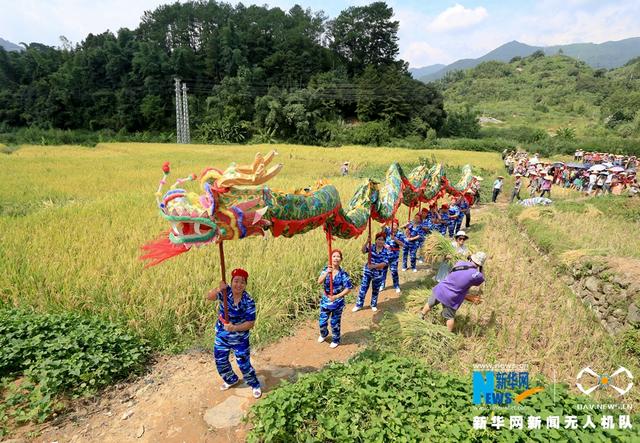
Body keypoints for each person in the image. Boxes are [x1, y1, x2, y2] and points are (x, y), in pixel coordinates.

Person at [207, 268, 262, 398]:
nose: (238, 284)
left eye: (242, 282)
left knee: (243, 364)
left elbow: (250, 323)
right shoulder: (225, 293)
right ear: (231, 282)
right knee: (220, 361)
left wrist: (234, 328)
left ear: (245, 285)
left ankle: (254, 384)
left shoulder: (248, 301)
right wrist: (218, 289)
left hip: (240, 338)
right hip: (222, 335)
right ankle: (231, 379)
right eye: (236, 281)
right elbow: (209, 297)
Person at [420, 252, 486, 332]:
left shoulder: (460, 263)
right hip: (452, 297)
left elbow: (452, 272)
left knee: (430, 303)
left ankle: (421, 316)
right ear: (480, 264)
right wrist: (481, 269)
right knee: (449, 317)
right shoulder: (477, 275)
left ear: (471, 258)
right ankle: (447, 334)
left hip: (441, 288)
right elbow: (480, 280)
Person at [317, 249, 353, 348]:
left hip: (337, 301)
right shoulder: (326, 269)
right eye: (334, 256)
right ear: (330, 258)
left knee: (335, 322)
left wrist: (336, 296)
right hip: (326, 300)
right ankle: (324, 334)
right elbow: (319, 281)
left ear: (341, 259)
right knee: (322, 321)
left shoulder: (343, 274)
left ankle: (336, 339)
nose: (336, 258)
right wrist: (326, 273)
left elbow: (348, 288)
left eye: (338, 256)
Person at [353, 232, 388, 312]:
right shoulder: (371, 247)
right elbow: (363, 251)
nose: (380, 241)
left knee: (375, 290)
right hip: (367, 272)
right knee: (363, 288)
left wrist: (373, 266)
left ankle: (373, 304)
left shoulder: (386, 250)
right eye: (379, 239)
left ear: (384, 241)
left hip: (378, 273)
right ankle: (359, 305)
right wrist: (367, 241)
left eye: (382, 240)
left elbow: (384, 264)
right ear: (375, 240)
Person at [380, 219, 404, 293]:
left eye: (395, 225)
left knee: (394, 271)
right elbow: (382, 227)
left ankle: (396, 285)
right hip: (385, 255)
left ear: (397, 226)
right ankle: (382, 285)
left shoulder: (400, 233)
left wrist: (395, 239)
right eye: (392, 225)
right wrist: (386, 220)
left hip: (394, 256)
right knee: (383, 271)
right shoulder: (387, 231)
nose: (393, 226)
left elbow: (402, 244)